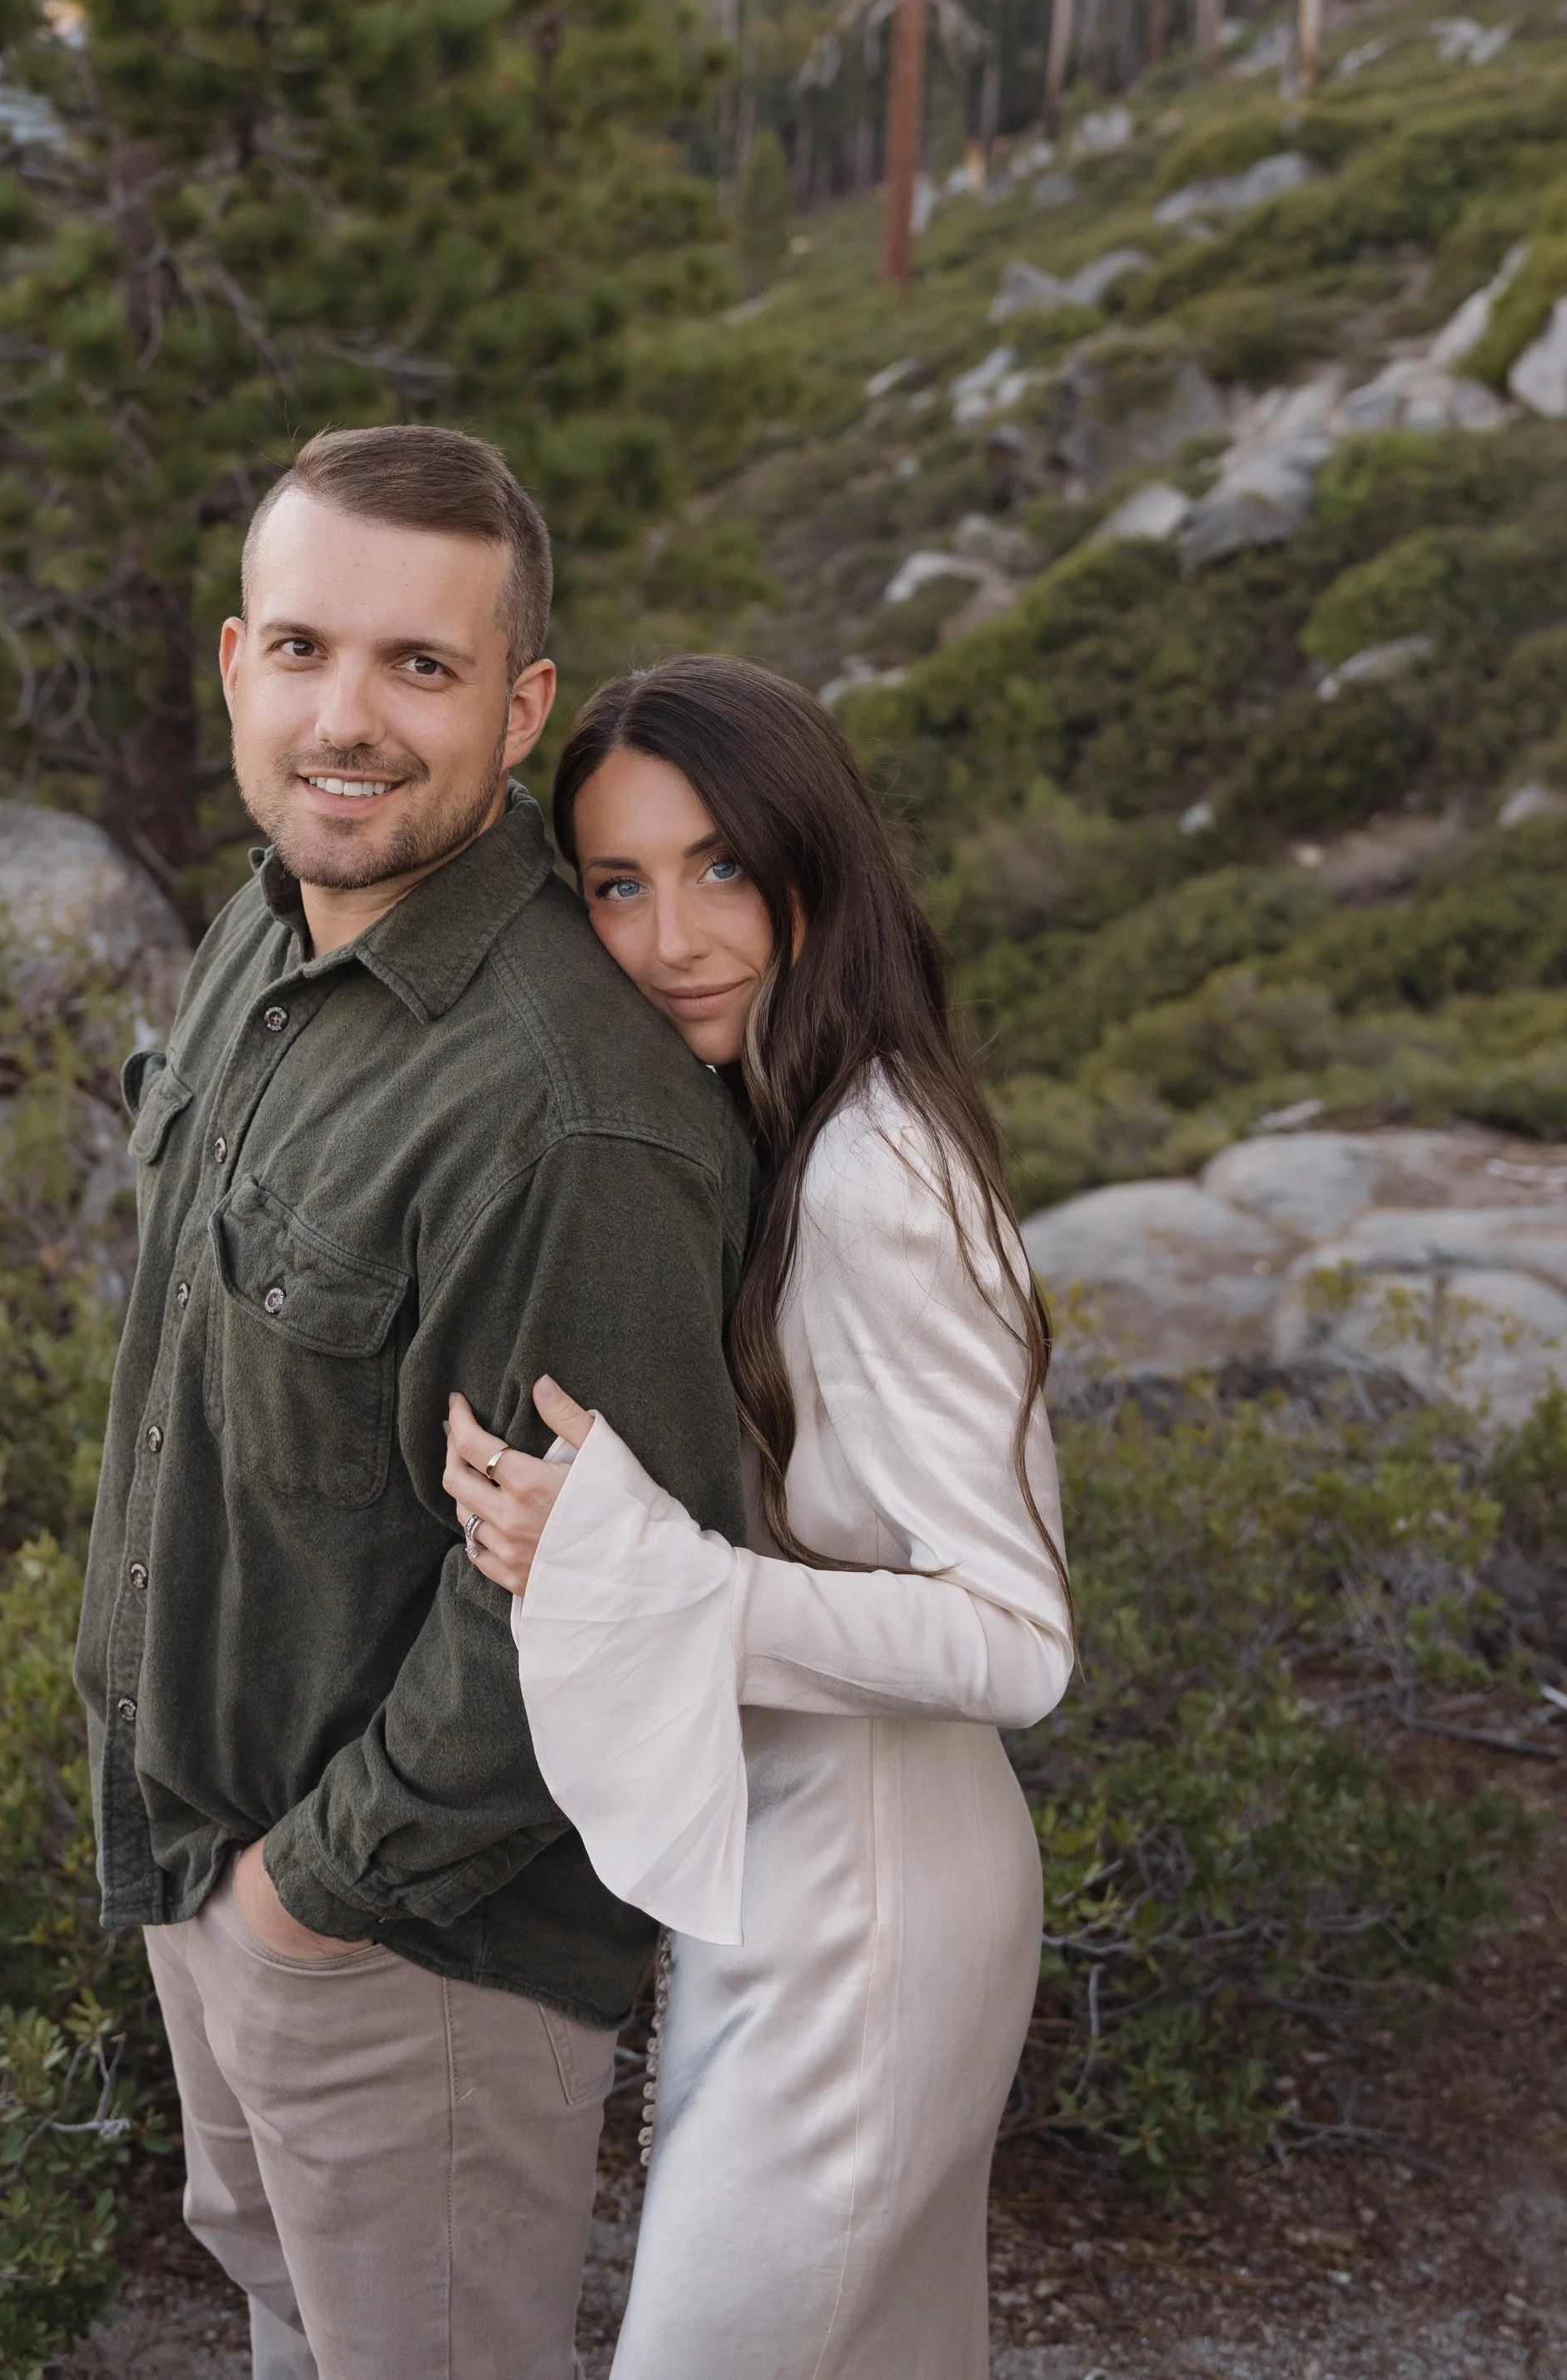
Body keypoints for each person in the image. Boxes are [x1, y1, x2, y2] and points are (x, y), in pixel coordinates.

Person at [74, 433, 753, 2380]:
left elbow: (606, 1599)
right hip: (208, 1853)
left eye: (419, 668)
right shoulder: (267, 931)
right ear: (232, 663)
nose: (343, 718)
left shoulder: (563, 1111)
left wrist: (312, 1903)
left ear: (521, 702)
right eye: (300, 650)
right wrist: (226, 1889)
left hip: (402, 1944)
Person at [442, 656, 1076, 2380]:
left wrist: (638, 1571)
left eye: (721, 865)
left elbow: (1011, 1641)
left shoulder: (871, 1174)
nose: (671, 939)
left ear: (813, 859)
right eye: (617, 886)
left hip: (867, 1921)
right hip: (804, 1879)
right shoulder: (775, 1123)